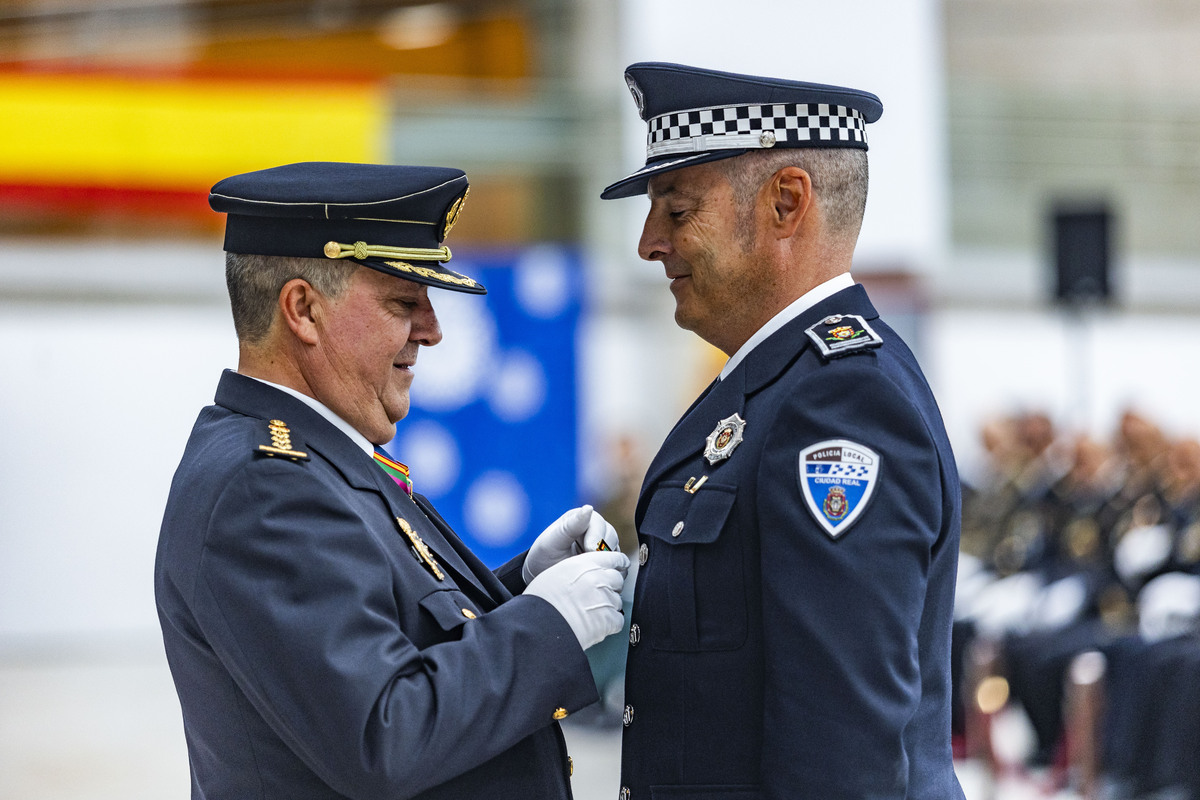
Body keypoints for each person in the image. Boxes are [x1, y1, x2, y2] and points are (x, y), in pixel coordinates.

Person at [154, 161, 630, 800]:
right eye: (404, 303)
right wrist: (548, 624)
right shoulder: (265, 489)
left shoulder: (316, 460)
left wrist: (520, 588)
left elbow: (394, 634)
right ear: (303, 310)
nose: (431, 331)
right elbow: (384, 733)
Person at [600, 63, 965, 798]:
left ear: (786, 202)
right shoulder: (774, 388)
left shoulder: (840, 402)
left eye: (676, 212)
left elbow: (844, 754)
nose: (649, 243)